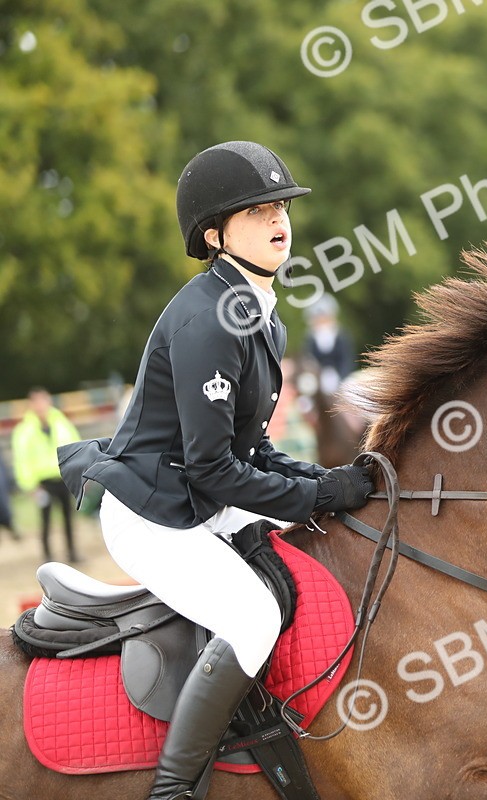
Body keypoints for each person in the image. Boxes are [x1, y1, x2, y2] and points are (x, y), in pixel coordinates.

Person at [57, 141, 374, 800]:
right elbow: (213, 470)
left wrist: (327, 483)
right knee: (253, 617)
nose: (277, 218)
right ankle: (172, 792)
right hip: (155, 511)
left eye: (280, 205)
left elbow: (252, 451)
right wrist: (314, 494)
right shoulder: (207, 320)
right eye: (256, 210)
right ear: (214, 233)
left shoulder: (260, 315)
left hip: (201, 492)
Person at [12, 388, 80, 562]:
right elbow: (22, 459)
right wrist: (29, 485)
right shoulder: (24, 430)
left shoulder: (62, 423)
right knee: (46, 521)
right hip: (43, 482)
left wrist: (78, 474)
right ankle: (47, 556)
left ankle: (72, 552)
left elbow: (76, 447)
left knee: (68, 517)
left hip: (63, 478)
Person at [303, 295, 357, 396]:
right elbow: (309, 359)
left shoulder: (341, 336)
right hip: (318, 376)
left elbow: (346, 359)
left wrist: (341, 377)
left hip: (340, 375)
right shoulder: (311, 338)